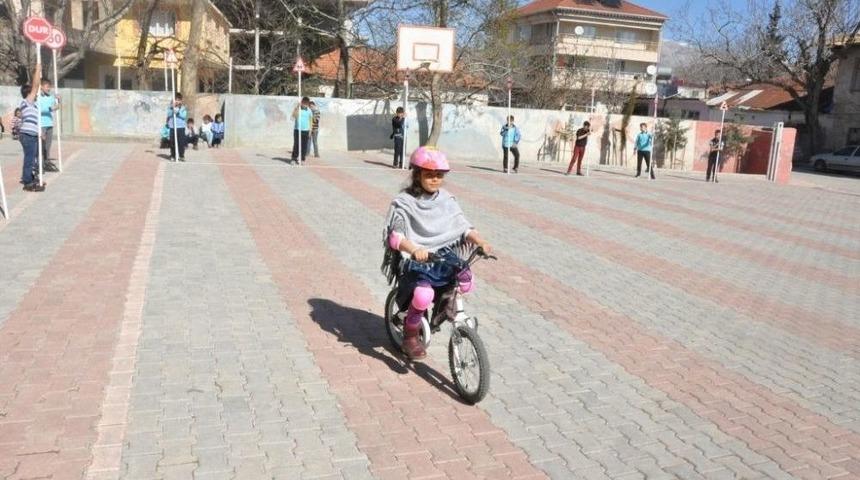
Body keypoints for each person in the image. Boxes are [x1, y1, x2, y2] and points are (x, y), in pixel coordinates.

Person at [381, 146, 492, 359]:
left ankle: (446, 309)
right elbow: (395, 236)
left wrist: (480, 241)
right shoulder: (405, 202)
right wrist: (414, 249)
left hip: (442, 255)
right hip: (416, 259)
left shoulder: (447, 199)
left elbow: (463, 227)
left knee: (466, 278)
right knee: (424, 295)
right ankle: (410, 334)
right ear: (417, 174)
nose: (434, 179)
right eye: (429, 174)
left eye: (439, 175)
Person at [18, 62, 45, 192]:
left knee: (33, 156)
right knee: (30, 157)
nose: (36, 93)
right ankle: (27, 182)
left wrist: (39, 132)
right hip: (27, 135)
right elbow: (35, 86)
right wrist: (38, 71)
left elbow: (36, 121)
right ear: (29, 94)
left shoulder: (33, 105)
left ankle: (30, 177)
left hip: (32, 134)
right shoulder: (27, 101)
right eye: (34, 93)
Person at [37, 79, 59, 171]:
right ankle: (39, 162)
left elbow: (56, 106)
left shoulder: (50, 97)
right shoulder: (38, 97)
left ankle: (46, 161)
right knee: (41, 144)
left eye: (49, 86)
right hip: (41, 124)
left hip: (49, 123)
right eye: (47, 86)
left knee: (48, 145)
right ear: (41, 86)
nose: (48, 88)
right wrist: (50, 108)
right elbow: (39, 109)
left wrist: (58, 101)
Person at [166, 93, 188, 161]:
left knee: (181, 142)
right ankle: (173, 155)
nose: (177, 101)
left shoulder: (183, 108)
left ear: (181, 101)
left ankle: (181, 155)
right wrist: (172, 109)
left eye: (179, 100)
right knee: (172, 142)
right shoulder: (170, 107)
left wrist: (178, 113)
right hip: (172, 127)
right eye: (176, 100)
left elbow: (184, 116)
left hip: (181, 127)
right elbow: (168, 115)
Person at [291, 97, 312, 164]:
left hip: (306, 131)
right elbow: (293, 116)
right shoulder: (298, 109)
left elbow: (311, 121)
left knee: (304, 146)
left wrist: (310, 131)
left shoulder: (309, 111)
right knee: (296, 145)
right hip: (297, 130)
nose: (305, 105)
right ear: (302, 102)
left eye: (307, 104)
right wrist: (297, 107)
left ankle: (302, 159)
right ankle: (294, 158)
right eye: (304, 103)